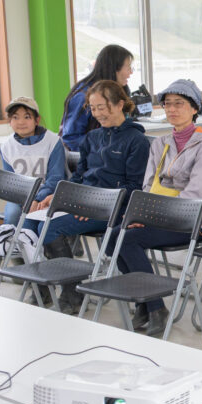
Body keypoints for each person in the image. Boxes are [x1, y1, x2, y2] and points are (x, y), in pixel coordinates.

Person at [104, 79, 202, 338]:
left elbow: (195, 194)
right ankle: (145, 304)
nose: (172, 109)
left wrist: (152, 216)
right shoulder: (160, 143)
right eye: (167, 104)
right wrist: (142, 215)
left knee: (127, 240)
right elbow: (148, 185)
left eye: (179, 104)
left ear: (194, 109)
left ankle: (153, 306)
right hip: (158, 215)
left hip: (190, 221)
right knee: (114, 238)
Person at [38, 80, 148, 312]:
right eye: (93, 108)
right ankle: (53, 289)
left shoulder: (136, 140)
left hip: (113, 209)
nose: (97, 114)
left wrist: (93, 204)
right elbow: (79, 176)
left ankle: (72, 292)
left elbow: (134, 187)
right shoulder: (92, 137)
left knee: (50, 228)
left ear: (119, 105)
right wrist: (60, 196)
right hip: (87, 203)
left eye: (102, 107)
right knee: (33, 221)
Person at [0, 97, 66, 231]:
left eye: (27, 117)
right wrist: (26, 200)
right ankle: (11, 244)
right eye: (15, 117)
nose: (21, 122)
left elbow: (56, 178)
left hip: (48, 196)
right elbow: (11, 182)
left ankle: (31, 243)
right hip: (20, 197)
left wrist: (37, 199)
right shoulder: (6, 146)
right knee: (12, 215)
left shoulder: (53, 141)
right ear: (10, 121)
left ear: (37, 120)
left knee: (33, 222)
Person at [60, 45, 134, 152]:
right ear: (115, 69)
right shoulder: (83, 96)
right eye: (128, 67)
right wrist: (104, 149)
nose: (131, 72)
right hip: (89, 157)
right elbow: (71, 138)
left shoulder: (118, 91)